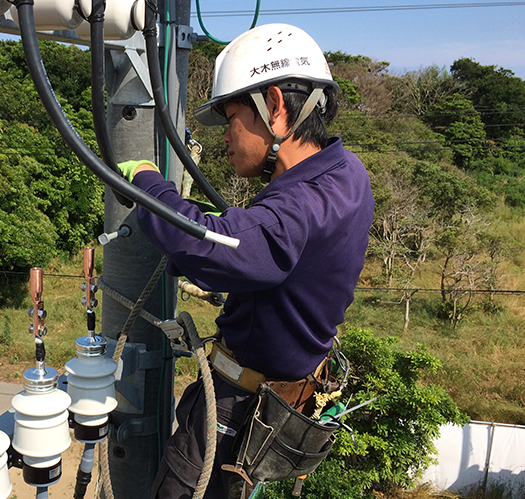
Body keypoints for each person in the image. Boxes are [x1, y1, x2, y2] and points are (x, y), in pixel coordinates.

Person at [117, 24, 375, 498]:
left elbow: (219, 247)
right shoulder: (348, 172)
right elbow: (269, 245)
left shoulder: (298, 207)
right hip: (280, 400)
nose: (226, 139)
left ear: (275, 106)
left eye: (232, 117)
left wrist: (149, 185)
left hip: (238, 409)